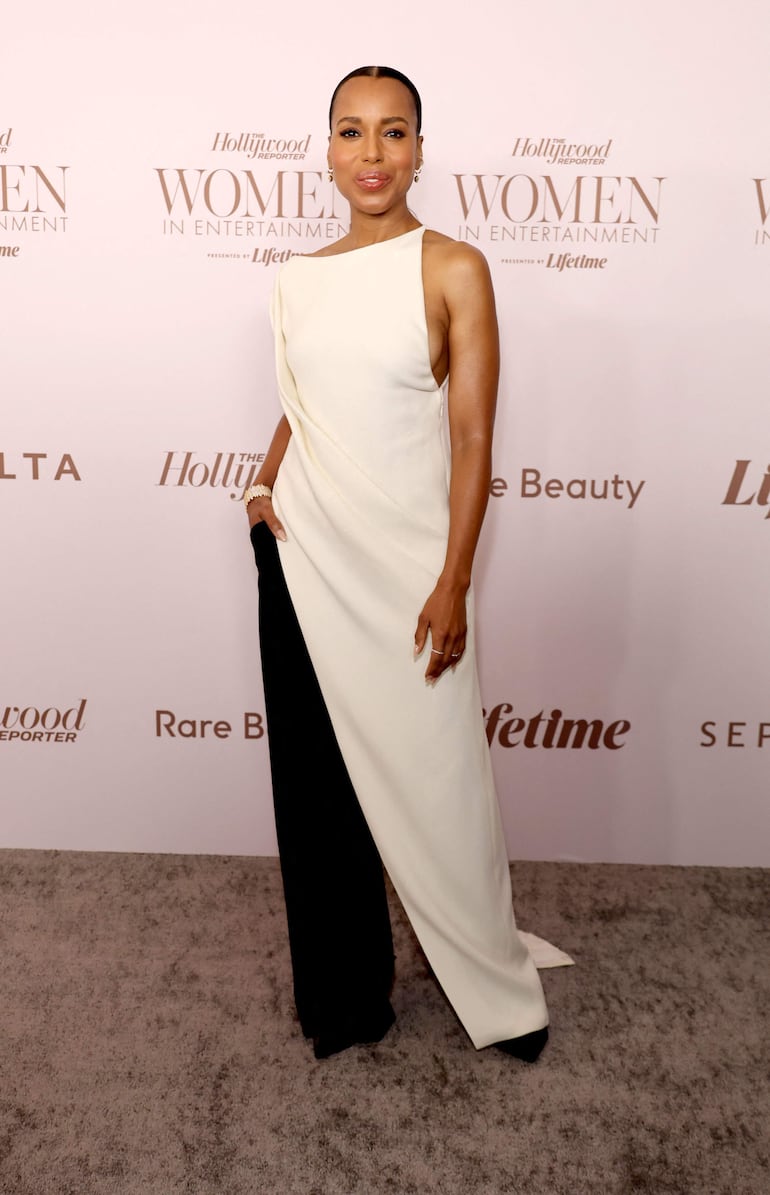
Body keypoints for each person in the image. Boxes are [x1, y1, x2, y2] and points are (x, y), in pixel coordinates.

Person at [245, 65, 550, 1061]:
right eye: (350, 132)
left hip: (411, 572)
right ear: (326, 149)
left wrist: (454, 579)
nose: (370, 154)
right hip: (302, 557)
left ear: (419, 149)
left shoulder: (451, 266)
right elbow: (305, 408)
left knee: (441, 780)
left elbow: (469, 440)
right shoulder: (295, 276)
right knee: (318, 789)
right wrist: (260, 487)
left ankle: (494, 986)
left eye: (391, 133)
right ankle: (343, 1001)